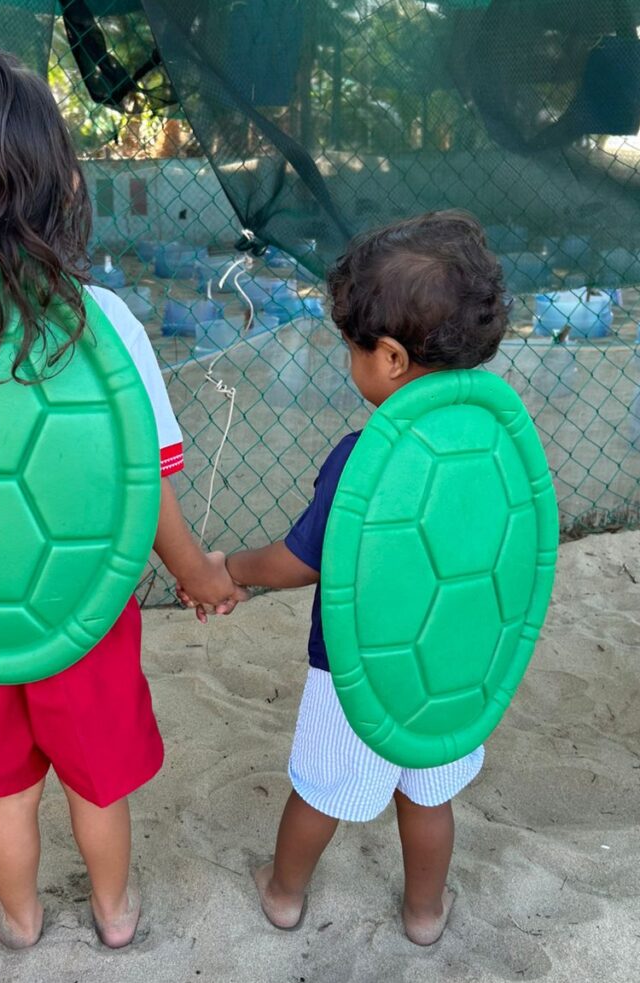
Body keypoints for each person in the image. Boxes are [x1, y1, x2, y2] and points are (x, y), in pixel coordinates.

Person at [0, 44, 244, 951]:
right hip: (81, 601)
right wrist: (197, 573)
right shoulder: (101, 323)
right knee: (96, 778)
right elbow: (143, 488)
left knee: (5, 784)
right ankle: (114, 914)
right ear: (55, 182)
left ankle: (20, 915)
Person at [222, 211, 510, 945]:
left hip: (360, 668)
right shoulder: (492, 442)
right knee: (429, 795)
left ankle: (284, 892)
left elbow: (303, 560)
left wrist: (234, 569)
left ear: (388, 357)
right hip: (451, 665)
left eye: (350, 349)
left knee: (323, 792)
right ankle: (423, 912)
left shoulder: (367, 458)